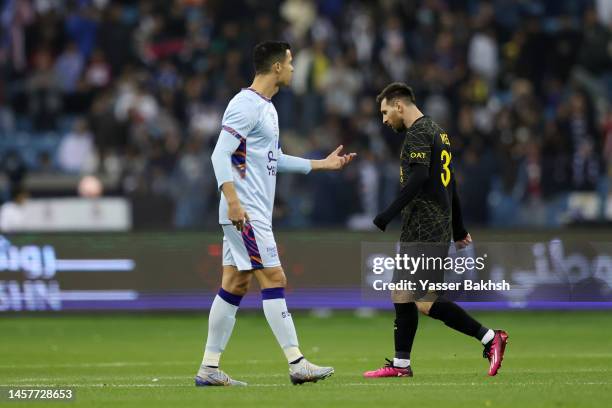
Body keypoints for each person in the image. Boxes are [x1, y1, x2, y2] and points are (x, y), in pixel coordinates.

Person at [196, 41, 356, 387]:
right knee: (274, 278)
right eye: (291, 62)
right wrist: (234, 201)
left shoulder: (268, 109)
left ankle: (209, 368)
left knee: (235, 283)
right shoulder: (245, 104)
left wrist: (321, 164)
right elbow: (218, 155)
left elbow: (274, 159)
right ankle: (297, 362)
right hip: (245, 212)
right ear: (278, 68)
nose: (295, 68)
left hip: (249, 212)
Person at [364, 82, 508, 378]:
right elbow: (449, 183)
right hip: (427, 226)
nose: (384, 119)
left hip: (426, 229)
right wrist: (458, 228)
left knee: (426, 301)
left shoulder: (418, 132)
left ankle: (490, 337)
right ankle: (401, 364)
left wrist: (386, 214)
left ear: (399, 105)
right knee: (401, 294)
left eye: (384, 111)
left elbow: (418, 178)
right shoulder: (438, 131)